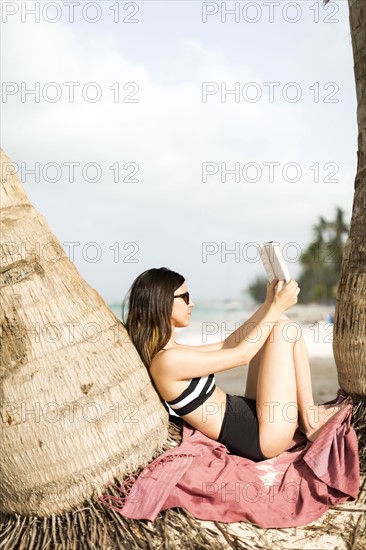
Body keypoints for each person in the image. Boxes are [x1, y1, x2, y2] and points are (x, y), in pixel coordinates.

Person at [123, 267, 347, 462]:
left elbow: (228, 343)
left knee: (278, 325)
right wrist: (277, 307)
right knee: (284, 329)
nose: (192, 303)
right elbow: (242, 356)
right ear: (162, 302)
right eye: (185, 296)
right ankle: (309, 421)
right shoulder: (168, 361)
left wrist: (269, 304)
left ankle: (308, 416)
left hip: (251, 416)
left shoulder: (172, 352)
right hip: (261, 438)